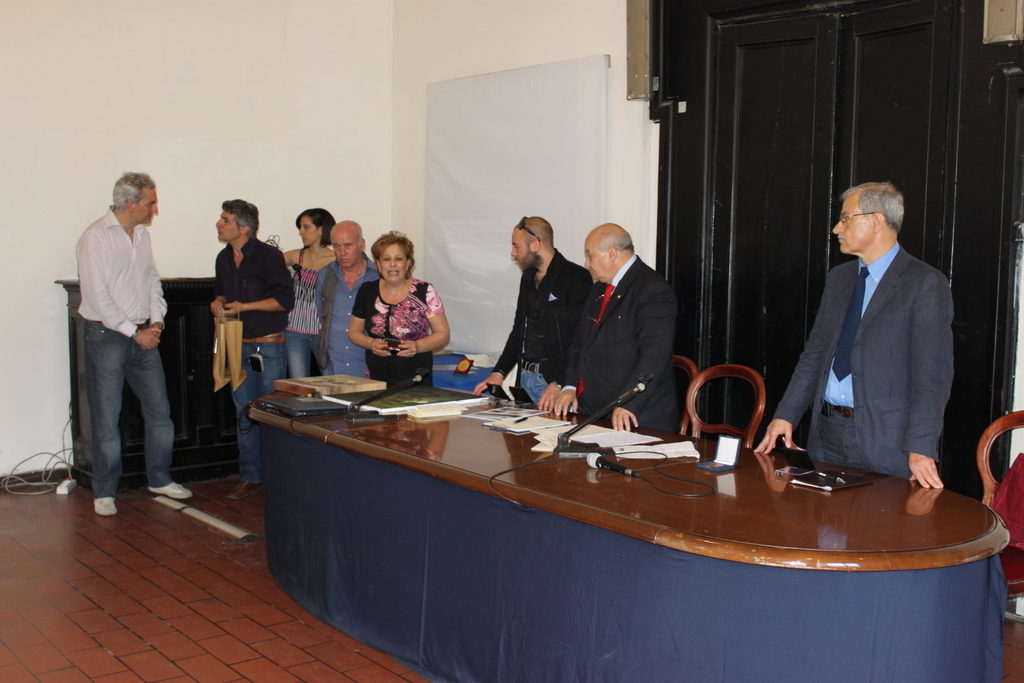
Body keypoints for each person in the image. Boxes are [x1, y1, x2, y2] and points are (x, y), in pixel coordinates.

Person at [754, 182, 953, 488]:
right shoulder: (840, 278)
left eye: (846, 218)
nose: (837, 228)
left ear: (876, 221)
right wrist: (787, 415)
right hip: (827, 435)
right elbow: (815, 354)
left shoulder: (924, 283)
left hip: (886, 443)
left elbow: (932, 376)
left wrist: (921, 446)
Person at [76, 172, 192, 516]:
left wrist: (156, 322)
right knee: (107, 417)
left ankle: (159, 478)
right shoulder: (95, 237)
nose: (155, 209)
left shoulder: (141, 235)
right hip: (107, 337)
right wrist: (134, 332)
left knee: (160, 413)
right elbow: (99, 297)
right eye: (150, 202)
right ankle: (105, 490)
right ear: (130, 203)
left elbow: (152, 281)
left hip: (144, 335)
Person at [552, 223, 678, 432]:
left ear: (611, 253)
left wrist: (628, 402)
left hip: (637, 417)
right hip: (595, 412)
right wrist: (570, 385)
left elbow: (655, 355)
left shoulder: (652, 289)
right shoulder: (599, 289)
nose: (587, 264)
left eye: (590, 256)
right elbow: (580, 342)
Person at [211, 199, 293, 500]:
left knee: (270, 412)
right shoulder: (223, 257)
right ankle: (251, 476)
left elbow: (284, 301)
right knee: (243, 411)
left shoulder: (269, 256)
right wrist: (218, 303)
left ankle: (278, 477)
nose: (219, 224)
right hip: (236, 343)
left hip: (267, 345)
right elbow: (221, 292)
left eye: (225, 220)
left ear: (244, 228)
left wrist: (245, 307)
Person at [472, 217, 592, 409]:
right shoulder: (528, 277)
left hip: (554, 385)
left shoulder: (576, 277)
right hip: (525, 379)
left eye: (516, 246)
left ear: (536, 244)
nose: (512, 253)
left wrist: (559, 382)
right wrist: (499, 372)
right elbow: (519, 329)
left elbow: (579, 338)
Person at [348, 231, 451, 385]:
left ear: (408, 263)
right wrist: (371, 343)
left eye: (399, 259)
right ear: (378, 263)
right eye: (386, 259)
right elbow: (354, 332)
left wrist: (417, 346)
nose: (392, 264)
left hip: (416, 379)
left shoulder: (425, 291)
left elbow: (443, 334)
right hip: (377, 379)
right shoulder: (366, 291)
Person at [315, 221, 380, 377]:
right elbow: (321, 315)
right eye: (337, 246)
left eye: (348, 245)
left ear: (362, 244)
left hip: (369, 364)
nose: (342, 252)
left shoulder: (378, 277)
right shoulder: (325, 275)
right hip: (332, 365)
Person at [283, 208, 336, 377]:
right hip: (294, 328)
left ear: (321, 229)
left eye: (306, 227)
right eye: (300, 227)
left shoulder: (336, 260)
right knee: (298, 380)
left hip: (323, 329)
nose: (301, 232)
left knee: (331, 377)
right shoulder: (295, 256)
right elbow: (267, 266)